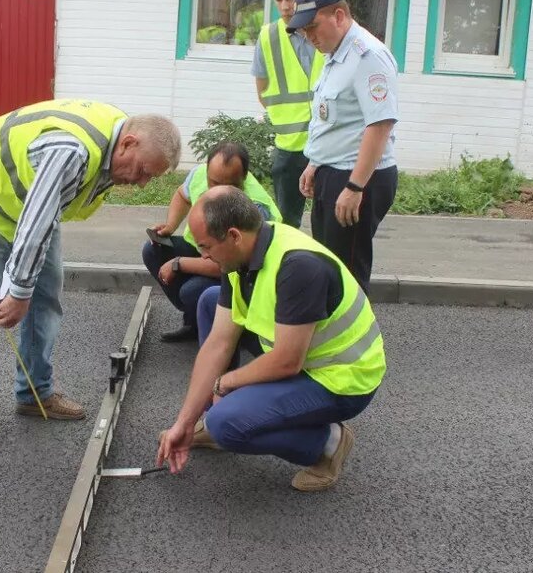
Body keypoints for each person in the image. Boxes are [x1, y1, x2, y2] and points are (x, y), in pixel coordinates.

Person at [0, 99, 181, 446]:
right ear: (128, 143)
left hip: (38, 201)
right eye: (144, 171)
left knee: (47, 300)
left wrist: (25, 291)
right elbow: (34, 222)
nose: (143, 183)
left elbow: (42, 215)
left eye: (151, 177)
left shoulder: (115, 140)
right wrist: (18, 292)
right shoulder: (71, 151)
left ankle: (34, 393)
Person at [156, 186, 385, 491]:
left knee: (228, 425)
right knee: (211, 301)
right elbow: (218, 343)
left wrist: (226, 383)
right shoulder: (240, 255)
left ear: (234, 235)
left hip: (343, 379)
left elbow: (288, 362)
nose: (203, 256)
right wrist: (184, 423)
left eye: (205, 246)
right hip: (301, 355)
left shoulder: (299, 267)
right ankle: (211, 421)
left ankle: (329, 444)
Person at [287, 0, 399, 292]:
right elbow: (338, 121)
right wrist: (315, 163)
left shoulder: (368, 56)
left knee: (347, 274)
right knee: (327, 266)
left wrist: (354, 186)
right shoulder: (336, 54)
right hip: (334, 173)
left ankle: (354, 341)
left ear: (338, 16)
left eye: (312, 27)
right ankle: (332, 337)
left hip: (359, 177)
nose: (309, 37)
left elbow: (379, 126)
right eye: (304, 31)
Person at [142, 142, 281, 342]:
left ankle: (238, 331)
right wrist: (171, 226)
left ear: (245, 178)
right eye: (214, 182)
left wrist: (178, 263)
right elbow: (183, 195)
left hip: (239, 271)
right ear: (206, 170)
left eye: (230, 185)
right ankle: (195, 321)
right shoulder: (198, 174)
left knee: (192, 291)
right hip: (207, 250)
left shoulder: (254, 208)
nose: (220, 190)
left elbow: (226, 264)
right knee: (153, 250)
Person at [252, 0, 322, 228]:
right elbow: (263, 93)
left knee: (328, 223)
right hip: (290, 146)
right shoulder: (268, 36)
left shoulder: (327, 31)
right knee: (286, 225)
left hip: (328, 145)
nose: (284, 6)